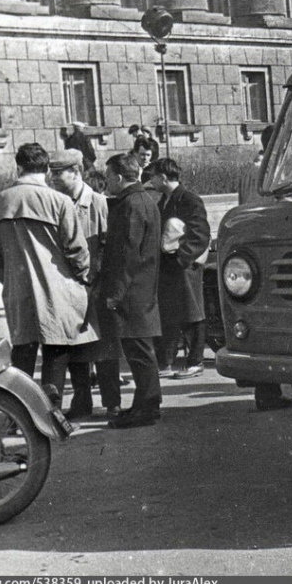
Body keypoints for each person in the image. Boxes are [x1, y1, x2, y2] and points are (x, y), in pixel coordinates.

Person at [0, 143, 96, 403]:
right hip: (57, 289)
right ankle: (51, 412)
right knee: (56, 349)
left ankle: (20, 413)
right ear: (46, 169)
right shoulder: (60, 201)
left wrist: (11, 278)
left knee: (22, 353)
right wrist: (81, 277)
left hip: (17, 290)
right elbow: (77, 249)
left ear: (19, 167)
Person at [48, 149, 122, 419]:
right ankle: (82, 401)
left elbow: (108, 245)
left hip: (97, 285)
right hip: (69, 288)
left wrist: (98, 277)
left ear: (76, 172)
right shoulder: (55, 203)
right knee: (76, 348)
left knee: (104, 348)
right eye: (51, 172)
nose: (53, 178)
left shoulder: (99, 203)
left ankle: (112, 401)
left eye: (58, 173)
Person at [99, 152, 163, 428]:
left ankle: (147, 408)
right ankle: (143, 404)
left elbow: (127, 254)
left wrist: (115, 294)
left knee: (139, 351)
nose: (106, 182)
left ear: (120, 177)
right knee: (139, 351)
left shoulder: (132, 205)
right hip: (140, 287)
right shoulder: (140, 200)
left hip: (132, 291)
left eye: (108, 176)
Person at [237, 128, 292, 410]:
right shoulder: (279, 172)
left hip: (253, 248)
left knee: (260, 321)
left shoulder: (250, 169)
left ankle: (265, 392)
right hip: (274, 248)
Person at [148, 157, 210, 379]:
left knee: (191, 313)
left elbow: (200, 234)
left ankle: (195, 362)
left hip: (184, 267)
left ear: (163, 177)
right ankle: (166, 362)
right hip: (170, 266)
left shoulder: (189, 200)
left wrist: (182, 260)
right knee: (169, 315)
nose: (151, 181)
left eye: (153, 176)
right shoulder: (164, 201)